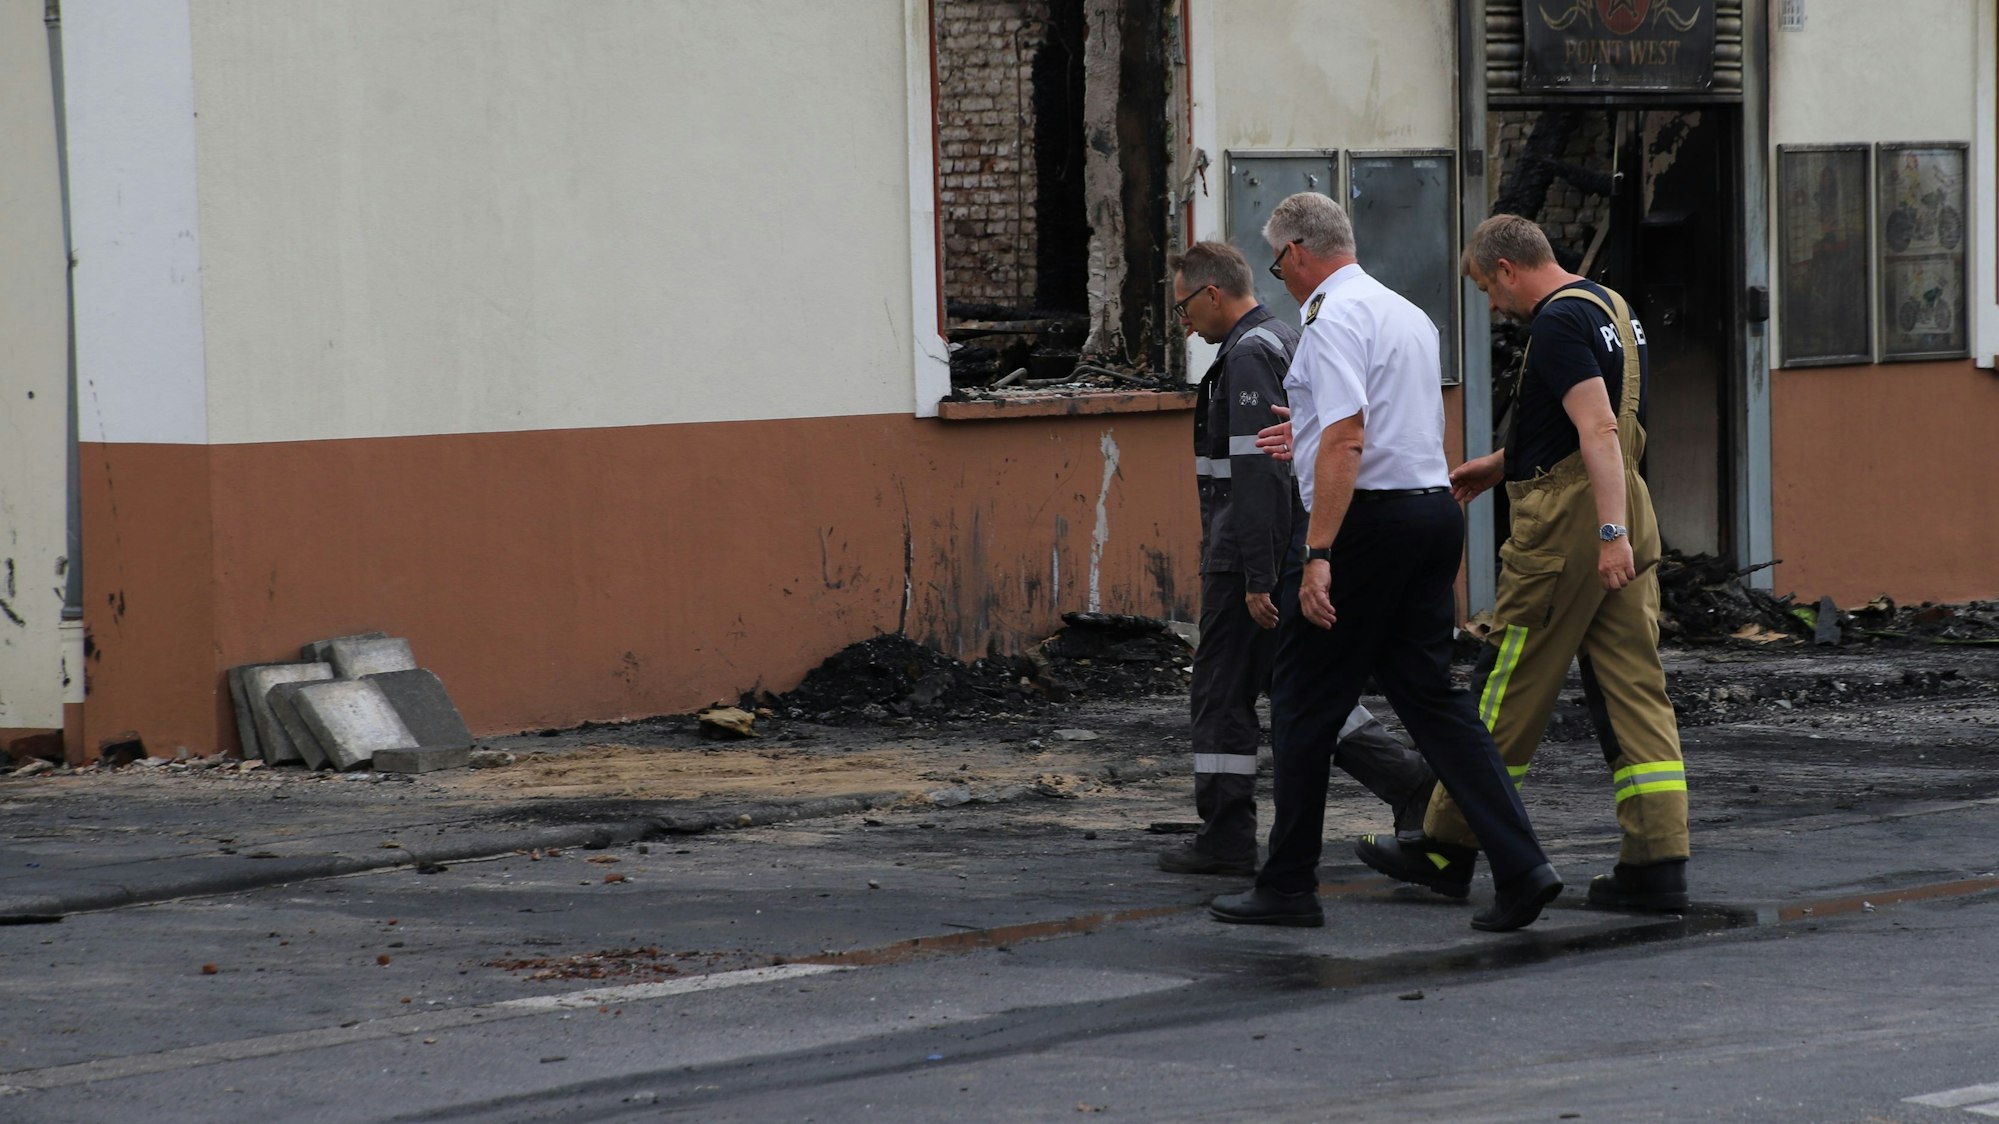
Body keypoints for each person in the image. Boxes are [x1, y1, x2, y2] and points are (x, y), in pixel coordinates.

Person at [1208, 194, 1561, 932]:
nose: (1282, 278)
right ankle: (1523, 865)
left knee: (1301, 700)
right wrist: (1301, 433)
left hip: (1365, 524)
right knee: (1433, 701)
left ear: (1298, 252)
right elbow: (1365, 423)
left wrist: (1316, 553)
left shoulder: (1330, 319)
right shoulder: (1404, 311)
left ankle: (1288, 886)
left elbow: (1347, 439)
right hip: (1430, 511)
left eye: (1278, 264)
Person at [1354, 215, 1690, 912]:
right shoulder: (1610, 308)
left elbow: (1595, 425)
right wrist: (1506, 463)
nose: (1490, 304)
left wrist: (1604, 533)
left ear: (1506, 269)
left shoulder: (1557, 325)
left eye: (1485, 288)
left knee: (1507, 686)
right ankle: (1656, 860)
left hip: (1572, 528)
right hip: (1627, 508)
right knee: (1633, 688)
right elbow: (1596, 430)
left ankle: (1446, 841)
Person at [1159, 241, 1436, 879]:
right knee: (1294, 684)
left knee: (1222, 690)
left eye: (1183, 309)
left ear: (1212, 294)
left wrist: (1258, 573)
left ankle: (1226, 834)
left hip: (1249, 553)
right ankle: (1408, 781)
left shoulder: (1250, 355)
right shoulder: (1286, 336)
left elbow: (1258, 474)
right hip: (1286, 543)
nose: (1184, 323)